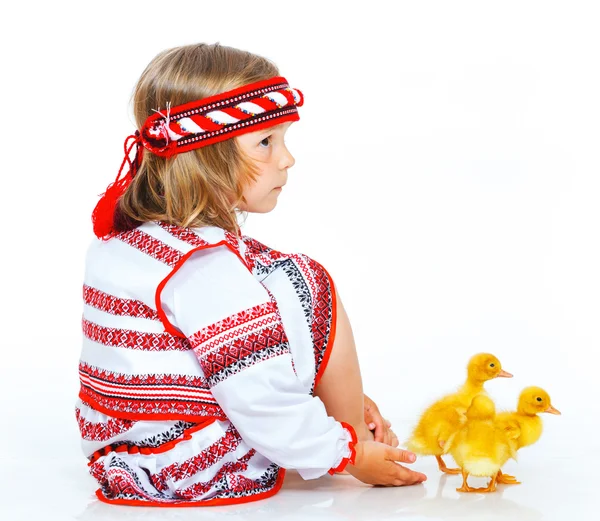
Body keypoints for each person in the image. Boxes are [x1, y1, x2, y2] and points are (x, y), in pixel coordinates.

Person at [76, 42, 427, 507]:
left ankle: (335, 413)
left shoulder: (123, 241)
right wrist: (345, 453)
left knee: (266, 273)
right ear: (207, 154)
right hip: (198, 465)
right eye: (266, 142)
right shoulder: (206, 269)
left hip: (124, 450)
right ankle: (355, 434)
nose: (287, 159)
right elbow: (261, 401)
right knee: (307, 283)